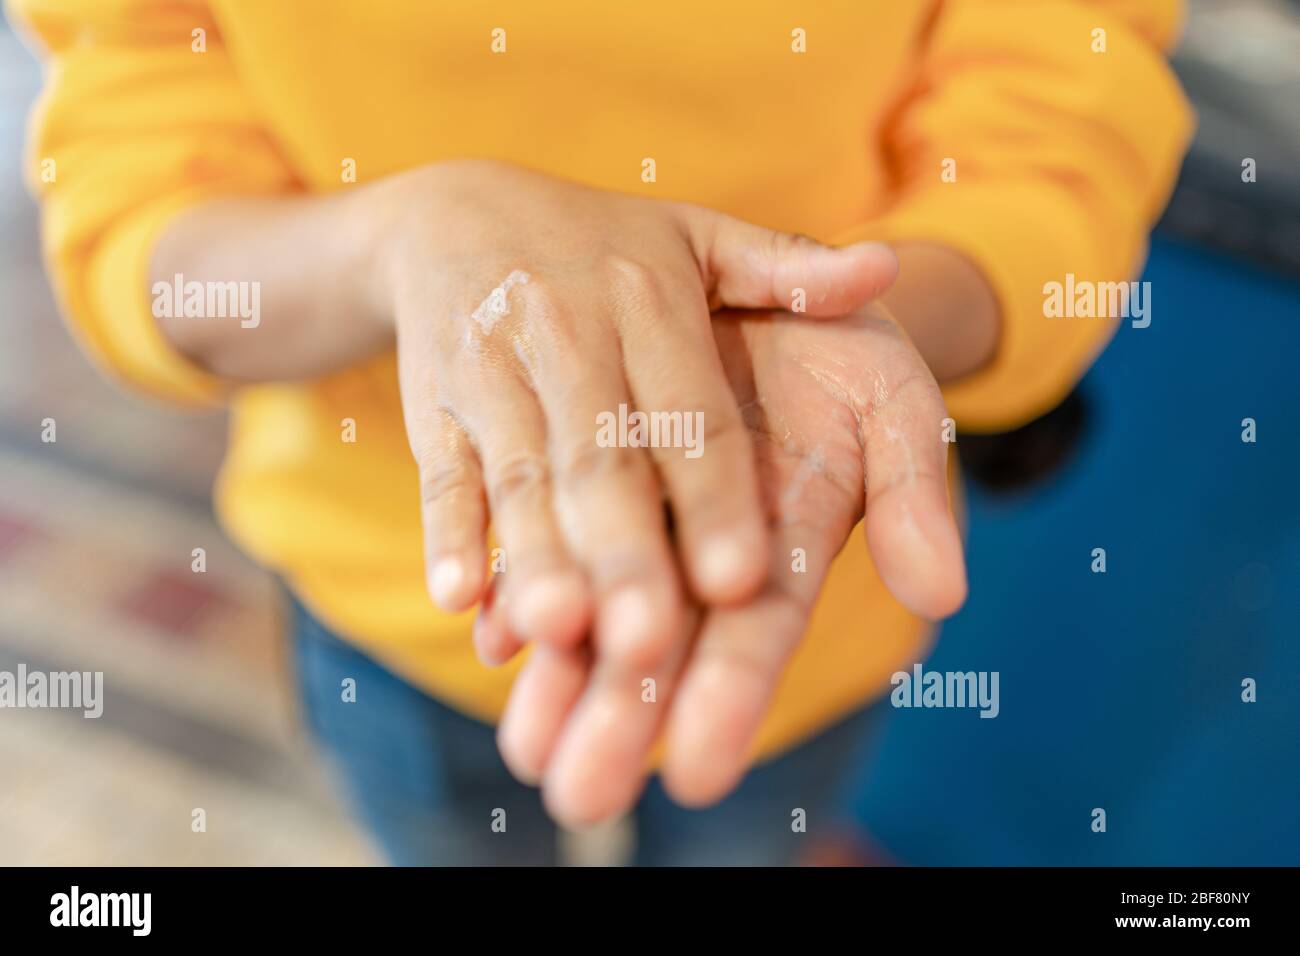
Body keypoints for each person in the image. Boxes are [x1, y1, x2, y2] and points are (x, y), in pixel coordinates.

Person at [13, 0, 1192, 864]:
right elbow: (141, 207)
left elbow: (1052, 126)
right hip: (391, 589)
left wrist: (868, 311)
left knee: (745, 834)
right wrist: (391, 241)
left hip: (806, 559)